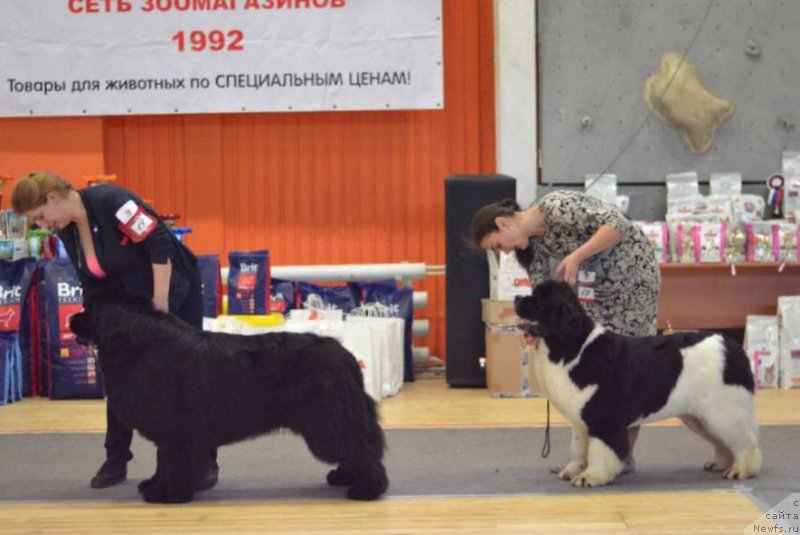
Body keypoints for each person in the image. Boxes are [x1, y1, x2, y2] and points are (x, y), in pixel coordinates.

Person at [11, 171, 219, 490]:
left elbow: (159, 243)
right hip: (129, 300)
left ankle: (204, 460)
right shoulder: (66, 229)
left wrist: (160, 303)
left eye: (40, 216)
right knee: (120, 374)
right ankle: (116, 457)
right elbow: (89, 279)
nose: (42, 224)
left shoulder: (112, 201)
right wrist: (95, 326)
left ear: (52, 198)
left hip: (172, 290)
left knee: (187, 377)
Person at [472, 190, 661, 475]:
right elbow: (543, 299)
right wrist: (536, 328)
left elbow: (618, 225)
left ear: (503, 223)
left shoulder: (557, 206)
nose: (505, 252)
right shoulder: (531, 250)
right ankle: (592, 456)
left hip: (632, 280)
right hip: (593, 292)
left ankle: (621, 457)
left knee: (626, 369)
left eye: (498, 245)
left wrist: (577, 256)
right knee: (597, 373)